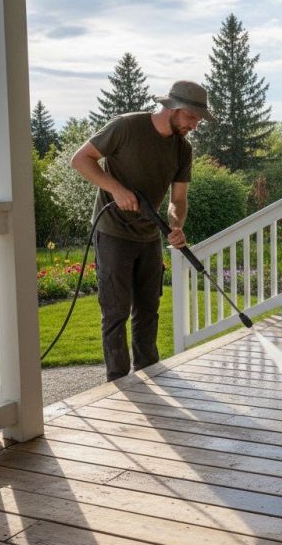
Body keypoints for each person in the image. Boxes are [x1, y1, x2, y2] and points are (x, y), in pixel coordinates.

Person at [71, 80, 214, 381]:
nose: (194, 125)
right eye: (191, 117)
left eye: (198, 120)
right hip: (113, 231)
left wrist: (176, 224)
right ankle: (118, 381)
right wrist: (116, 189)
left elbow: (178, 200)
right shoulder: (125, 127)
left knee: (149, 309)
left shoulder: (182, 149)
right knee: (116, 311)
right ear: (173, 108)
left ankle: (150, 372)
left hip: (149, 235)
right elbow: (80, 159)